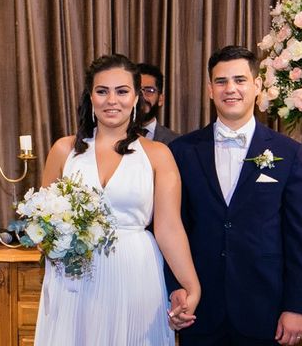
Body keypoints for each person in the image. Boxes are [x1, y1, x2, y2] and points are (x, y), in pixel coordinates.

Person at [35, 54, 201, 346]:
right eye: (102, 91)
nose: (112, 100)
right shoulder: (64, 150)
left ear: (136, 97)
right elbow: (41, 225)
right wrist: (57, 239)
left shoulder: (158, 154)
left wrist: (191, 285)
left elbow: (169, 228)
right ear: (91, 97)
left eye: (122, 91)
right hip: (74, 277)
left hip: (135, 273)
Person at [166, 45, 302, 346]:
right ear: (210, 89)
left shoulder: (287, 152)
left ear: (257, 86)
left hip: (265, 308)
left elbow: (298, 236)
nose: (230, 89)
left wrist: (296, 306)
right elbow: (171, 227)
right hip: (200, 307)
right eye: (221, 81)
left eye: (240, 80)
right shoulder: (182, 151)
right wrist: (174, 288)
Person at [137, 62, 180, 144]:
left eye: (149, 91)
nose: (142, 97)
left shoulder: (176, 142)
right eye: (137, 90)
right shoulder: (113, 137)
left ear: (160, 99)